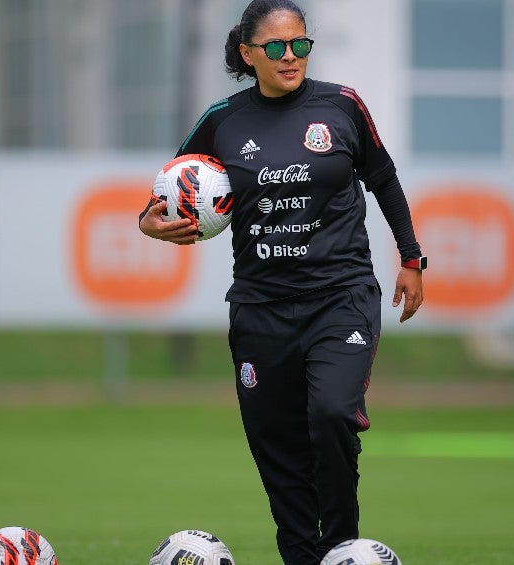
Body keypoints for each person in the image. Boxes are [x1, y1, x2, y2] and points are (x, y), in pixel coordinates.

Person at [139, 1, 426, 563]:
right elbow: (164, 197)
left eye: (300, 44)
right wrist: (149, 223)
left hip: (339, 297)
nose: (290, 56)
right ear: (248, 54)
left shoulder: (341, 106)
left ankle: (342, 548)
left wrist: (412, 258)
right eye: (275, 47)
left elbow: (384, 179)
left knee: (331, 415)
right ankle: (300, 555)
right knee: (278, 446)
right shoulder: (223, 120)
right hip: (260, 308)